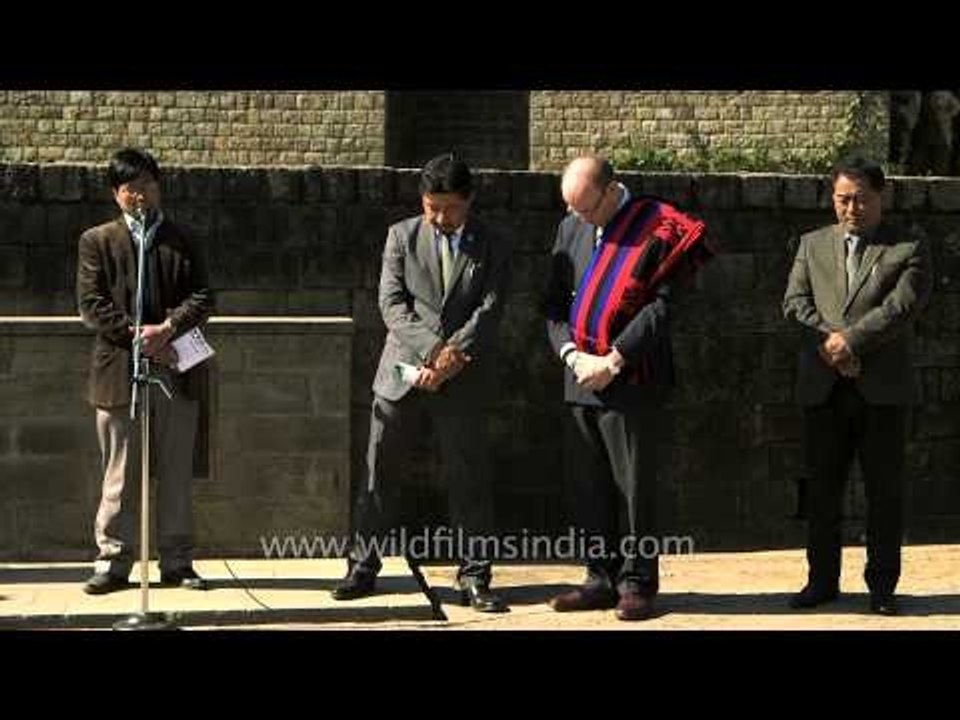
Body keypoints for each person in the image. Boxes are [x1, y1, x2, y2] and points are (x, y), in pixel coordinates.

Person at [332, 153, 511, 613]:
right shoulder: (401, 236)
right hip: (402, 372)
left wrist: (454, 356)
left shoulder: (491, 242)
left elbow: (490, 307)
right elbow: (392, 304)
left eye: (448, 207)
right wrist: (434, 351)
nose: (438, 216)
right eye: (431, 206)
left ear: (468, 200)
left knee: (469, 476)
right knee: (378, 470)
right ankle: (362, 565)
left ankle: (475, 576)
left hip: (463, 374)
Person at [543, 156, 710, 621]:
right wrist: (573, 356)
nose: (579, 219)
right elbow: (553, 305)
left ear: (612, 190)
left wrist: (614, 361)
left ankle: (637, 582)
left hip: (633, 378)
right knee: (588, 486)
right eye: (571, 209)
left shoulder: (659, 227)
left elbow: (663, 308)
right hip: (580, 377)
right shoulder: (571, 227)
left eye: (587, 208)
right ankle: (599, 577)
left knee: (635, 486)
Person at [783, 156, 932, 616]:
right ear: (833, 199)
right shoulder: (811, 245)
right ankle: (821, 581)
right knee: (821, 491)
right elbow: (794, 303)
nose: (852, 208)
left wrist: (849, 343)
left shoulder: (908, 246)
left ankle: (882, 587)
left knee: (884, 492)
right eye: (843, 199)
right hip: (823, 388)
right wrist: (831, 348)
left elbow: (902, 308)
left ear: (880, 198)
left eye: (861, 199)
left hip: (881, 390)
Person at [76, 148, 215, 594]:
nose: (141, 194)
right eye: (131, 187)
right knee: (119, 473)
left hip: (176, 370)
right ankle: (114, 561)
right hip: (120, 372)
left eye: (148, 184)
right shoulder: (97, 241)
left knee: (175, 471)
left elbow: (204, 296)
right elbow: (92, 305)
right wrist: (138, 335)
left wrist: (168, 328)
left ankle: (176, 561)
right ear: (116, 194)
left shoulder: (182, 237)